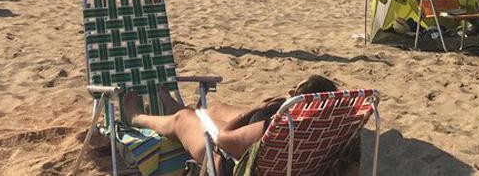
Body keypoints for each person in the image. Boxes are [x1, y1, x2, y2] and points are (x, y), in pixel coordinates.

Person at [128, 75, 346, 175]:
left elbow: (224, 140)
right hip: (290, 164)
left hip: (230, 164)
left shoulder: (282, 126)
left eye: (293, 92)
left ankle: (137, 117)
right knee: (218, 109)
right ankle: (176, 108)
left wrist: (250, 112)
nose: (288, 93)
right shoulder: (330, 129)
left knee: (183, 120)